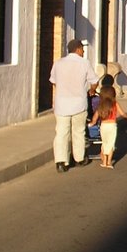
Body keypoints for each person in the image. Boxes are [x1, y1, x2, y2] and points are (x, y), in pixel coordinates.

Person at [49, 38, 99, 173]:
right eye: (82, 49)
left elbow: (53, 81)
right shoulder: (84, 63)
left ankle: (61, 161)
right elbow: (94, 80)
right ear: (77, 49)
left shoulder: (58, 63)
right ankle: (79, 158)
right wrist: (92, 90)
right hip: (78, 104)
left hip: (62, 104)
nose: (83, 51)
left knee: (61, 133)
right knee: (78, 132)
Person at [88, 86, 127, 169]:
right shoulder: (115, 103)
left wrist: (92, 123)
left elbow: (96, 115)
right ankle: (109, 162)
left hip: (103, 126)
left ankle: (104, 162)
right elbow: (122, 113)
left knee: (104, 143)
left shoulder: (101, 104)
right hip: (112, 126)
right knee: (110, 144)